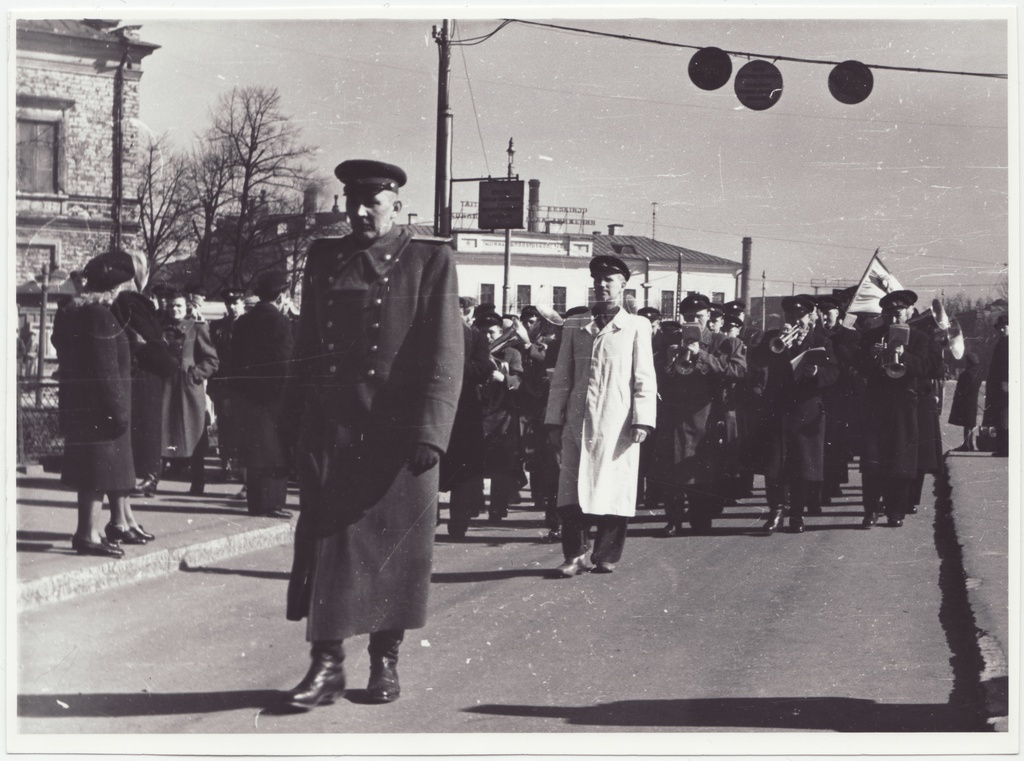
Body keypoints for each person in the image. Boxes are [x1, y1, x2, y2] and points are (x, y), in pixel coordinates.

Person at [280, 159, 463, 710]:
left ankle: (385, 661)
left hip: (397, 437)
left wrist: (432, 430)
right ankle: (326, 664)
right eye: (352, 201)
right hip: (334, 431)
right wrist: (289, 426)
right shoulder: (324, 258)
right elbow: (306, 347)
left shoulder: (429, 259)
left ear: (396, 204)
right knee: (328, 547)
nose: (360, 212)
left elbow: (444, 351)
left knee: (396, 556)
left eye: (373, 202)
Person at [544, 255, 656, 575]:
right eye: (598, 279)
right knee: (570, 489)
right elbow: (562, 377)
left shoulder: (636, 326)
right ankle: (574, 554)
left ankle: (606, 554)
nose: (602, 284)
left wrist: (643, 419)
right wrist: (553, 419)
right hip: (577, 422)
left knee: (614, 487)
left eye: (609, 279)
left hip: (616, 421)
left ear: (623, 284)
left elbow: (644, 377)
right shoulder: (576, 325)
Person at [52, 251, 153, 557]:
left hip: (86, 407)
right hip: (102, 410)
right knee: (96, 476)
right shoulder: (98, 316)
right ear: (113, 288)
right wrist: (119, 412)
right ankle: (87, 535)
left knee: (95, 475)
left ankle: (90, 533)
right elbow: (105, 371)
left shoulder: (76, 312)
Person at [651, 294, 746, 535]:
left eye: (699, 317)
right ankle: (673, 519)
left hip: (706, 414)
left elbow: (737, 371)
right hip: (674, 413)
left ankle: (700, 520)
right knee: (671, 467)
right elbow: (653, 377)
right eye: (689, 318)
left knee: (702, 469)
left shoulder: (724, 342)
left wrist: (702, 355)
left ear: (708, 317)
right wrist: (668, 361)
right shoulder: (669, 340)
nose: (694, 321)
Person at [750, 294, 839, 533]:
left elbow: (833, 373)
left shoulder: (820, 340)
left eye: (800, 315)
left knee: (802, 465)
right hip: (777, 408)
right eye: (791, 315)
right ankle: (776, 511)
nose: (795, 320)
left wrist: (816, 372)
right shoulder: (772, 338)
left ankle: (797, 515)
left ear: (810, 317)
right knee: (775, 464)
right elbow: (755, 361)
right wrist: (777, 343)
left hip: (805, 410)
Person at [855, 290, 931, 527]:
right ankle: (870, 510)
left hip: (903, 405)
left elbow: (926, 368)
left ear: (908, 312)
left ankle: (895, 511)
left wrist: (903, 355)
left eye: (898, 312)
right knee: (872, 460)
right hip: (876, 403)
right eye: (888, 313)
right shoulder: (871, 336)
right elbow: (859, 366)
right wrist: (872, 356)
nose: (893, 317)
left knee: (900, 459)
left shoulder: (920, 337)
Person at [110, 252, 178, 499]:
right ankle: (147, 476)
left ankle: (148, 477)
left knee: (145, 426)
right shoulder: (132, 302)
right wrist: (169, 363)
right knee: (147, 426)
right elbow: (153, 343)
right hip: (146, 374)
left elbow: (149, 343)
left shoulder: (127, 302)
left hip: (142, 373)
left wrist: (167, 361)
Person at [230, 272, 294, 519]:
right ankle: (274, 504)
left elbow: (234, 361)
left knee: (255, 452)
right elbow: (285, 361)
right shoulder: (280, 322)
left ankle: (256, 504)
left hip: (248, 396)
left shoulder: (243, 322)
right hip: (275, 398)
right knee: (277, 451)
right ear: (281, 297)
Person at [439, 298, 491, 538]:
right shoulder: (431, 333)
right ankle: (429, 518)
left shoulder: (476, 337)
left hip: (465, 412)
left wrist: (451, 367)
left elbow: (483, 369)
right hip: (436, 410)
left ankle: (458, 522)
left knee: (464, 471)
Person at [160, 292, 220, 495]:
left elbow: (212, 360)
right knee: (162, 432)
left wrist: (194, 374)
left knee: (194, 435)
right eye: (170, 306)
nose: (174, 309)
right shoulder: (161, 328)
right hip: (167, 388)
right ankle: (153, 480)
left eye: (178, 305)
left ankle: (198, 481)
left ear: (186, 307)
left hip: (188, 389)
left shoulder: (197, 327)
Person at [208, 288, 246, 483]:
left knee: (244, 424)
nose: (232, 306)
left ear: (243, 303)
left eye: (236, 302)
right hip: (224, 382)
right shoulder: (217, 327)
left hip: (245, 384)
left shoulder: (250, 324)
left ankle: (242, 464)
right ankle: (227, 464)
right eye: (229, 303)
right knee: (225, 423)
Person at [982, 314, 1009, 457]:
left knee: (1005, 417)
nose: (1002, 330)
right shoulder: (1003, 341)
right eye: (1000, 328)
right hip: (999, 386)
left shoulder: (1009, 342)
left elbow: (1007, 364)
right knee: (1001, 417)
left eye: (1004, 327)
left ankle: (1005, 448)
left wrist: (1007, 381)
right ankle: (1002, 447)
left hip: (1005, 385)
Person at [949, 352, 985, 451]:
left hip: (965, 401)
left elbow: (961, 389)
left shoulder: (966, 374)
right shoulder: (978, 373)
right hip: (973, 400)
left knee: (967, 423)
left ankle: (967, 444)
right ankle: (970, 443)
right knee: (970, 423)